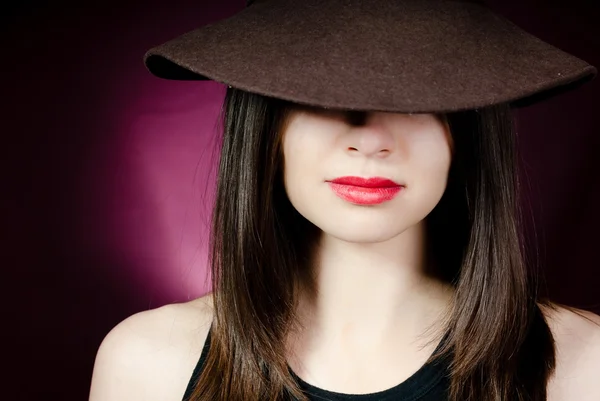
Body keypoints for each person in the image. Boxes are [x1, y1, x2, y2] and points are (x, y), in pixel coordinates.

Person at [89, 0, 600, 400]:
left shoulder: (584, 365)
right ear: (266, 124)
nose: (370, 138)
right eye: (322, 92)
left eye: (416, 94)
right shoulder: (148, 366)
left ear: (468, 132)